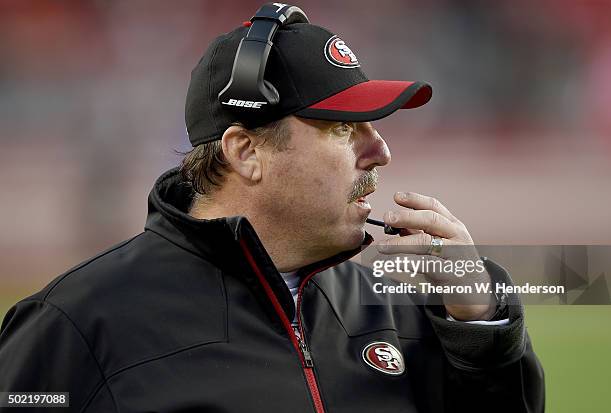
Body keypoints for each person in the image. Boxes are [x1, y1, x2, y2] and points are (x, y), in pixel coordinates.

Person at [0, 4, 544, 412]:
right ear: (247, 152)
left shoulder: (408, 312)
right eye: (341, 129)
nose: (380, 151)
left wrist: (482, 330)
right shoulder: (75, 324)